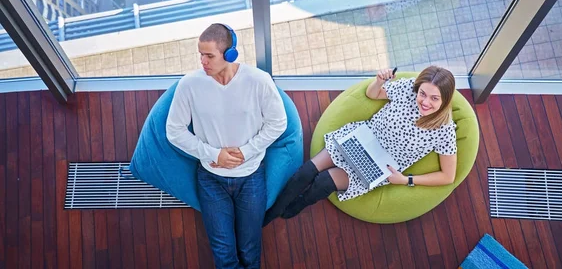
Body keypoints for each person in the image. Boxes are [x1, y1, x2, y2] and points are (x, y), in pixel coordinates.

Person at [264, 65, 457, 225]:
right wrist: (379, 81)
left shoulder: (444, 130)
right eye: (422, 93)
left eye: (434, 98)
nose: (424, 102)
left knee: (323, 183)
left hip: (380, 166)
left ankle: (301, 203)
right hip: (361, 139)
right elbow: (373, 94)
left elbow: (448, 176)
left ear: (445, 99)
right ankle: (270, 214)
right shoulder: (408, 89)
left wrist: (406, 180)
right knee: (306, 172)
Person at [166, 23, 287, 269]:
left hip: (251, 176)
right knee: (223, 255)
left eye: (209, 55)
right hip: (211, 179)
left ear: (230, 54)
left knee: (250, 251)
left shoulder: (259, 81)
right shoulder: (189, 84)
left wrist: (245, 152)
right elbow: (174, 131)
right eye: (200, 55)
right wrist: (213, 154)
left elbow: (278, 123)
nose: (203, 61)